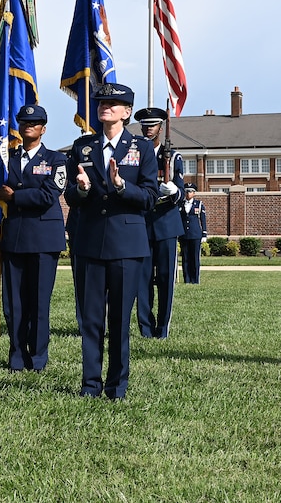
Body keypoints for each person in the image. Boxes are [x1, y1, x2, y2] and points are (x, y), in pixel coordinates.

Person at [64, 83, 159, 400]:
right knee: (91, 320)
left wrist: (121, 186)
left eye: (114, 103)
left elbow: (149, 198)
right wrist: (80, 189)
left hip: (126, 246)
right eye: (103, 102)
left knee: (118, 320)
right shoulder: (83, 147)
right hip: (90, 242)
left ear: (126, 112)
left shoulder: (142, 149)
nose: (106, 106)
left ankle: (116, 386)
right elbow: (70, 197)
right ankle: (90, 384)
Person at [0, 104, 67, 372]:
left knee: (38, 303)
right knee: (14, 304)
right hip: (13, 238)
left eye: (34, 123)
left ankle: (37, 359)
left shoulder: (57, 160)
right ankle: (16, 357)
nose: (28, 127)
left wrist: (15, 197)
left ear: (43, 129)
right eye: (24, 122)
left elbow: (49, 195)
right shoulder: (6, 158)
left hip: (43, 239)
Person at [134, 106, 184, 339]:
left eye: (152, 125)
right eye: (145, 125)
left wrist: (173, 191)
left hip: (165, 222)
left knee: (165, 279)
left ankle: (162, 328)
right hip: (141, 223)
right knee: (141, 280)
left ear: (161, 128)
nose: (148, 129)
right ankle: (145, 328)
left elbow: (182, 192)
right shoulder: (134, 155)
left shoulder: (172, 157)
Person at [179, 183, 207, 284]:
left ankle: (195, 280)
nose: (188, 193)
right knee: (185, 258)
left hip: (195, 235)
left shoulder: (199, 204)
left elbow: (203, 220)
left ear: (194, 193)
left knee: (195, 258)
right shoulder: (181, 204)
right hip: (184, 235)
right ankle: (187, 279)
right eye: (186, 191)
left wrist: (204, 234)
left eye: (190, 191)